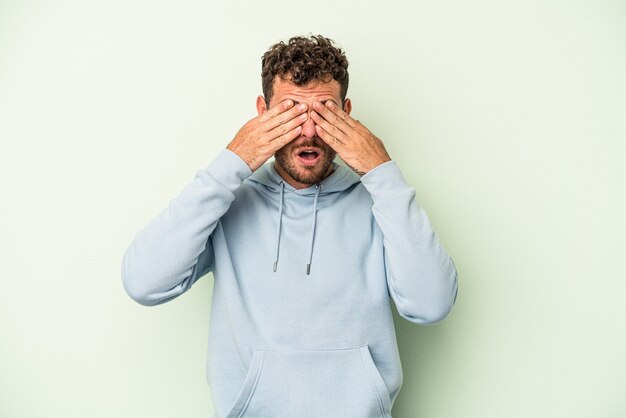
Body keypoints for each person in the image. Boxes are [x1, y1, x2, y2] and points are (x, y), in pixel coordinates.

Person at [122, 35, 458, 418]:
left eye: (325, 112)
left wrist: (382, 173)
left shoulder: (382, 203)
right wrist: (233, 163)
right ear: (262, 111)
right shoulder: (228, 201)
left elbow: (432, 305)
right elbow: (144, 282)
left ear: (347, 113)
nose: (309, 131)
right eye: (291, 113)